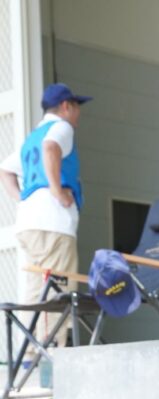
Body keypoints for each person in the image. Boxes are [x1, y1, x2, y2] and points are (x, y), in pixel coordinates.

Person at [0, 83, 91, 354]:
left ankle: (28, 358)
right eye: (77, 107)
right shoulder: (61, 129)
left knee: (34, 292)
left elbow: (5, 169)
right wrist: (57, 191)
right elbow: (52, 149)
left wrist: (22, 198)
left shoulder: (33, 138)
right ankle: (53, 361)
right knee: (57, 290)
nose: (78, 114)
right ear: (66, 106)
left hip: (29, 224)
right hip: (53, 225)